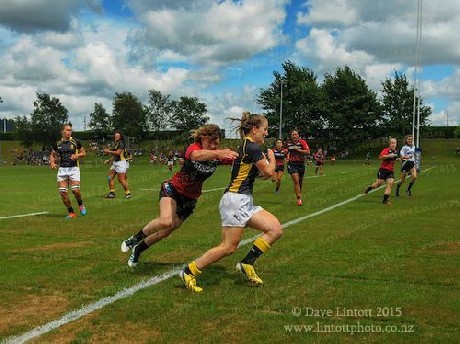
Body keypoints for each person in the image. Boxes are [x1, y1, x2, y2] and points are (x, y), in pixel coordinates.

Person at [180, 112, 283, 293]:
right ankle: (189, 271)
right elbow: (268, 173)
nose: (266, 133)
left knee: (275, 229)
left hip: (244, 201)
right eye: (265, 129)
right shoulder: (251, 147)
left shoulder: (249, 147)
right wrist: (273, 159)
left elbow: (260, 175)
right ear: (255, 129)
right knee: (228, 247)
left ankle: (247, 263)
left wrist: (266, 167)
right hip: (235, 201)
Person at [120, 124, 238, 267]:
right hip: (173, 189)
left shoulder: (217, 156)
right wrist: (218, 153)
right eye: (210, 142)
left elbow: (238, 158)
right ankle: (134, 239)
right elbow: (196, 156)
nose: (213, 146)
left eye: (216, 143)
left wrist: (254, 157)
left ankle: (138, 249)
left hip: (190, 199)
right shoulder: (194, 148)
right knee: (165, 221)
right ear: (202, 139)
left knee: (166, 231)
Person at [49, 124, 87, 219]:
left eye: (70, 130)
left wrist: (77, 156)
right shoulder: (58, 144)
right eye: (67, 130)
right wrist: (52, 163)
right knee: (63, 193)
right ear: (62, 132)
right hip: (62, 170)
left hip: (74, 169)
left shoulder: (75, 141)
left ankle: (81, 204)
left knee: (75, 191)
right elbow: (52, 155)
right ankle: (71, 212)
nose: (69, 132)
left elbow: (84, 153)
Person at [364, 137, 400, 205]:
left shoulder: (396, 151)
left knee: (390, 183)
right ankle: (369, 188)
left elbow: (394, 158)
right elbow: (380, 157)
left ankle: (385, 200)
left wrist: (397, 159)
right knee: (377, 185)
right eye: (392, 143)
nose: (393, 144)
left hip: (390, 171)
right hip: (383, 170)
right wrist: (388, 156)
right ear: (389, 144)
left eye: (394, 143)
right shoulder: (386, 150)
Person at [103, 131, 131, 199]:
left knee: (121, 179)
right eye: (115, 135)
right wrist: (109, 159)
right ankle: (112, 193)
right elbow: (114, 154)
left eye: (118, 136)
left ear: (120, 137)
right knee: (109, 177)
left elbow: (118, 153)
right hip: (115, 163)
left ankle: (128, 193)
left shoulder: (122, 143)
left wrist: (108, 151)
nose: (116, 137)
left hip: (121, 163)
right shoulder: (115, 143)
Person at [286, 129, 310, 206]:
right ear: (291, 136)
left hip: (301, 163)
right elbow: (286, 151)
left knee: (300, 182)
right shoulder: (288, 143)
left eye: (295, 134)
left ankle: (299, 194)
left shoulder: (302, 142)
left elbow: (308, 152)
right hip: (292, 163)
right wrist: (287, 156)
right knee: (296, 180)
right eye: (293, 135)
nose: (294, 136)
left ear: (298, 135)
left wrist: (299, 150)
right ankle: (298, 199)